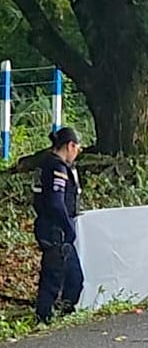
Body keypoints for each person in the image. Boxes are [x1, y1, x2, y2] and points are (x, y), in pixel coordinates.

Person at [32, 127, 85, 325]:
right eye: (77, 149)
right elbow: (56, 203)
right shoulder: (57, 168)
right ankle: (45, 319)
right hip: (57, 231)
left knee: (70, 279)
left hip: (48, 227)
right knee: (56, 279)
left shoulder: (44, 164)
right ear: (70, 146)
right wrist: (68, 228)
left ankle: (57, 317)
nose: (76, 153)